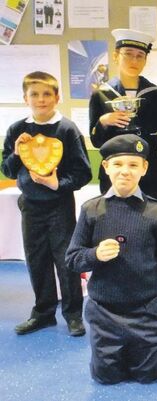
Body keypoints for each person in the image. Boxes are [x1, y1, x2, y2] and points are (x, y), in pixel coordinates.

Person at [65, 135, 157, 384]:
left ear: (144, 168)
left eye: (133, 164)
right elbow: (72, 259)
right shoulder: (91, 210)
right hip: (105, 310)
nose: (125, 171)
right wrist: (94, 254)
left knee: (152, 376)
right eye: (117, 164)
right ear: (106, 167)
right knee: (106, 378)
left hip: (146, 310)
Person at [1, 71, 91, 336]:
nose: (41, 100)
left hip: (59, 205)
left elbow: (83, 172)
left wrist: (57, 184)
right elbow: (7, 169)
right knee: (36, 259)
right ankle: (43, 312)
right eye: (34, 94)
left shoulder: (67, 129)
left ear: (57, 97)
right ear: (25, 98)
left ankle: (73, 314)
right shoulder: (17, 129)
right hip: (30, 205)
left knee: (66, 260)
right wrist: (17, 153)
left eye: (46, 94)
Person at [89, 28, 157, 202]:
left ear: (145, 60)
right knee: (114, 226)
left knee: (153, 222)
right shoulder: (101, 94)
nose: (134, 60)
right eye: (128, 54)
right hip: (115, 176)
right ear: (116, 56)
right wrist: (104, 122)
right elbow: (96, 141)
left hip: (151, 174)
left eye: (140, 56)